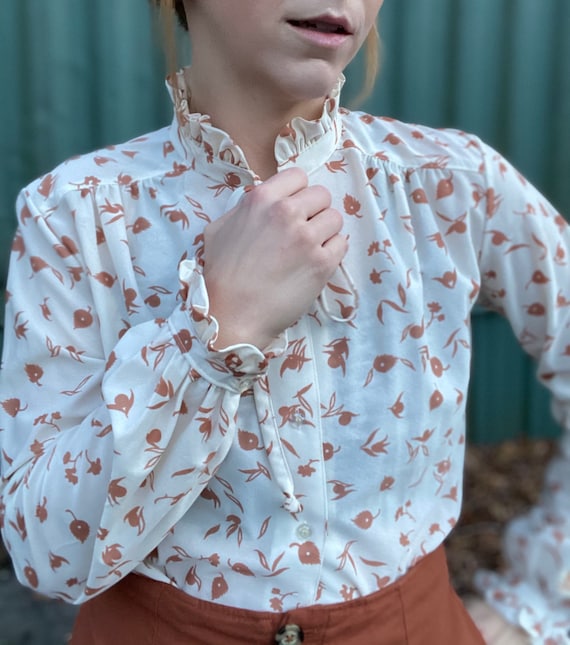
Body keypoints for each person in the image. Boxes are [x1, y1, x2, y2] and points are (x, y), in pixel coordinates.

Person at [0, 0, 568, 642]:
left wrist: (534, 609)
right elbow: (47, 557)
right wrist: (216, 327)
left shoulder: (451, 187)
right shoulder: (76, 214)